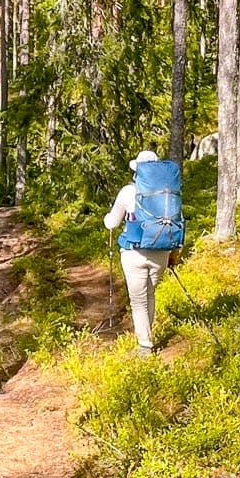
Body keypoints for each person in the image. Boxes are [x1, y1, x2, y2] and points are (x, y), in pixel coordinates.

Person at [104, 149, 182, 357]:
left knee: (138, 300)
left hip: (134, 253)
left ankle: (145, 346)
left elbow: (112, 222)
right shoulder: (168, 194)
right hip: (162, 252)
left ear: (137, 170)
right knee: (149, 295)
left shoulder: (128, 192)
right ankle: (147, 337)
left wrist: (106, 218)